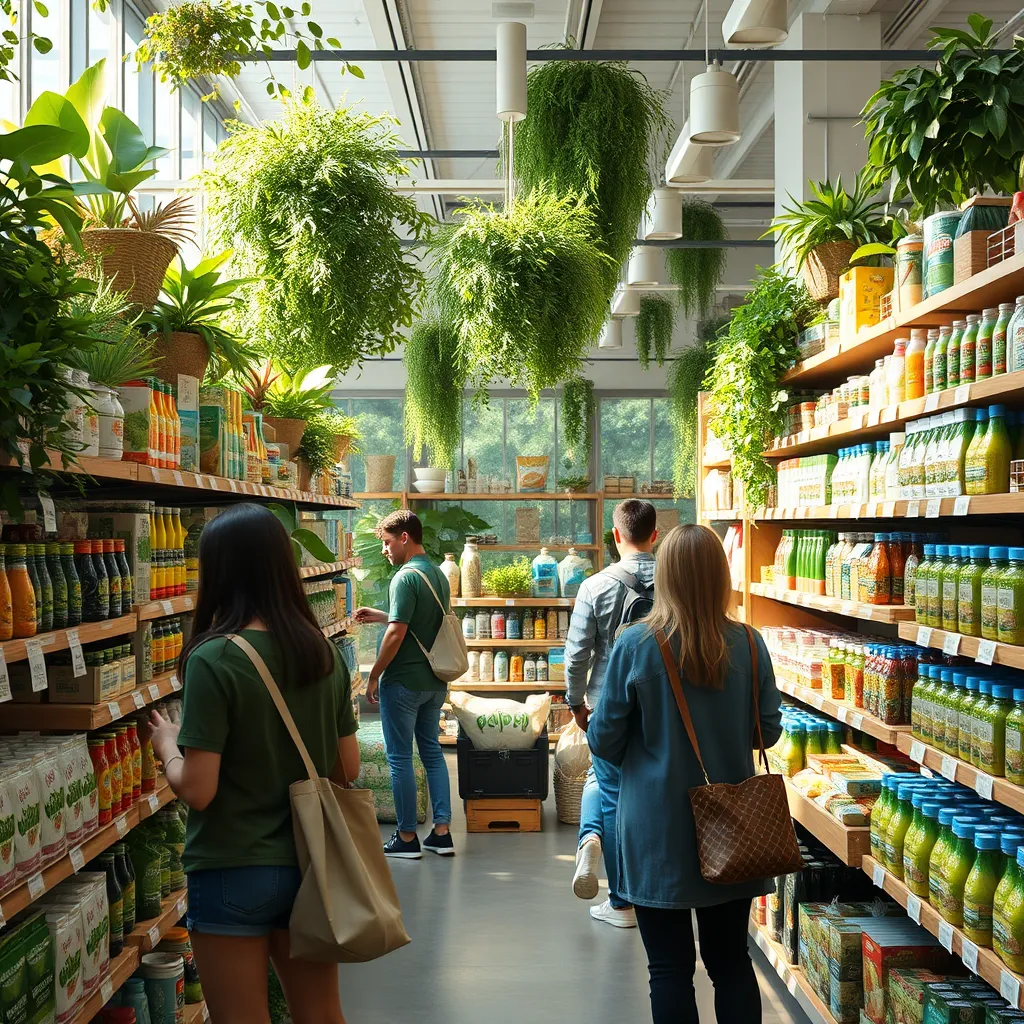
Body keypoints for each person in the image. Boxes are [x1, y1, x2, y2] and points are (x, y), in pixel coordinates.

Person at [146, 503, 360, 1024]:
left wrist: (168, 747)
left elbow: (199, 789)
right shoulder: (321, 653)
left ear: (216, 574)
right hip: (310, 863)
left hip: (231, 866)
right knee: (321, 1015)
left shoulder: (214, 658)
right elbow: (347, 767)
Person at [588, 523, 783, 1024]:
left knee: (669, 969)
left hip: (656, 830)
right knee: (731, 964)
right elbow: (769, 732)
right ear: (721, 576)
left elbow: (604, 740)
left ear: (666, 576)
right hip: (731, 828)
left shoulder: (636, 645)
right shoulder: (750, 644)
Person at [565, 498, 657, 928]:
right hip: (667, 711)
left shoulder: (594, 586)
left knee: (612, 794)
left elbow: (576, 654)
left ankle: (621, 901)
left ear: (615, 535)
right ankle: (660, 888)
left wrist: (576, 703)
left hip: (608, 707)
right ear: (655, 536)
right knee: (659, 796)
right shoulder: (677, 583)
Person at [352, 509, 454, 859]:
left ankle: (407, 836)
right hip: (434, 682)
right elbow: (420, 621)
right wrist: (382, 615)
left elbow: (397, 633)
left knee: (399, 758)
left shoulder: (404, 577)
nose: (384, 550)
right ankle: (442, 832)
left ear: (405, 538)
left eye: (387, 542)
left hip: (404, 683)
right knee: (432, 752)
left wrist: (375, 673)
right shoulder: (438, 575)